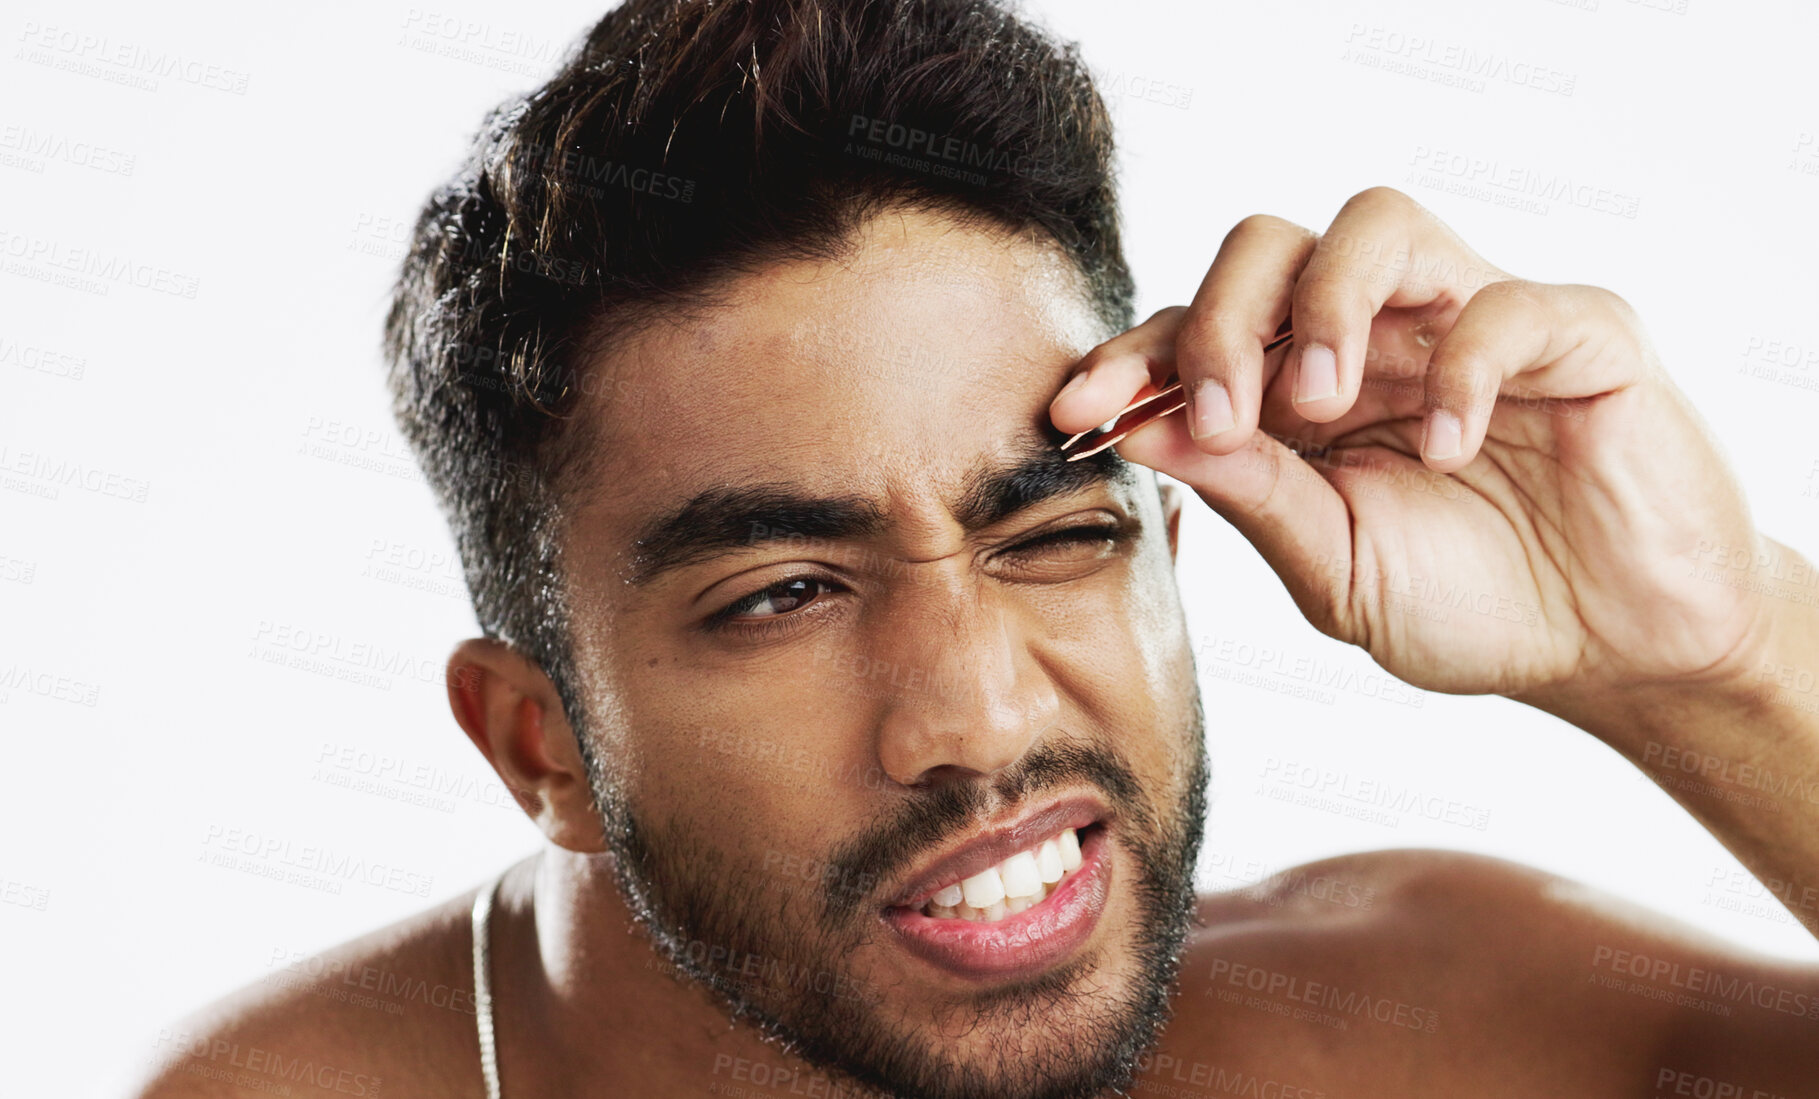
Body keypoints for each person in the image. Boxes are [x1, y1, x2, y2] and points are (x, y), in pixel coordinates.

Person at [135, 0, 1819, 1095]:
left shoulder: (1423, 1027)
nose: (982, 719)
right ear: (541, 741)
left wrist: (1722, 653)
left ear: (1169, 535)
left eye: (1052, 535)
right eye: (784, 592)